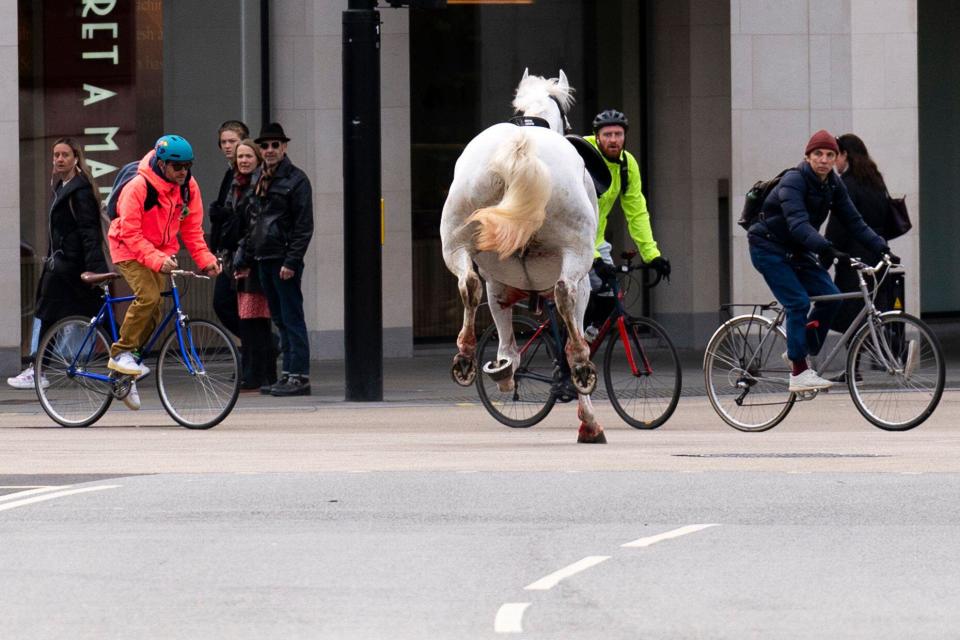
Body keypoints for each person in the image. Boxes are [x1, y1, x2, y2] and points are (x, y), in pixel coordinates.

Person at [747, 129, 899, 392]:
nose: (824, 160)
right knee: (798, 302)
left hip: (797, 250)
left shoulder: (833, 184)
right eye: (818, 154)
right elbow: (797, 223)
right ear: (807, 156)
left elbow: (854, 221)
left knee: (832, 297)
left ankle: (800, 349)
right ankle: (798, 373)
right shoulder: (794, 181)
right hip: (768, 246)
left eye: (830, 155)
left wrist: (882, 247)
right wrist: (826, 248)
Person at [106, 134, 221, 409]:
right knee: (148, 297)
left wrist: (206, 260)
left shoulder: (188, 188)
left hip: (160, 251)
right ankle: (120, 353)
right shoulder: (138, 187)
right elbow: (131, 234)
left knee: (155, 310)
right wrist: (157, 259)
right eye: (177, 166)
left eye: (188, 166)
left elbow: (192, 230)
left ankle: (126, 370)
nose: (183, 172)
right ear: (162, 163)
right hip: (128, 248)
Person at [8, 138, 108, 390]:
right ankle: (125, 357)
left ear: (76, 158)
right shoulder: (64, 186)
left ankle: (37, 369)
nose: (59, 159)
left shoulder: (80, 191)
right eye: (56, 155)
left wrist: (95, 270)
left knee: (50, 314)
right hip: (65, 265)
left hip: (69, 267)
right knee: (77, 314)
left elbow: (90, 232)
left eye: (65, 155)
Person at [235, 122, 314, 397]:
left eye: (275, 145)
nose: (269, 150)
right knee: (280, 319)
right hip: (264, 257)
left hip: (282, 259)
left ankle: (299, 376)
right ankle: (289, 375)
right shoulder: (259, 179)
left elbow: (304, 226)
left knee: (291, 318)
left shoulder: (296, 179)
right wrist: (244, 257)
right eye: (265, 145)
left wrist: (291, 262)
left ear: (284, 147)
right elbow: (253, 222)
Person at [584, 109, 671, 285]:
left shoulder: (627, 164)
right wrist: (593, 258)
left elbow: (637, 213)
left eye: (619, 134)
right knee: (575, 299)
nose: (614, 140)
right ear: (597, 136)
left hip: (597, 241)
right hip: (571, 241)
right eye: (607, 135)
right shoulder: (582, 155)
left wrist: (652, 255)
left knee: (609, 294)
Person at [825, 133, 900, 333]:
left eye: (836, 155)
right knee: (876, 313)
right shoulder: (876, 181)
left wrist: (825, 255)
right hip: (877, 254)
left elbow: (838, 227)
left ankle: (855, 363)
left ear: (845, 154)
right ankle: (885, 356)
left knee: (851, 319)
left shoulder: (846, 185)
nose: (834, 163)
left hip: (854, 259)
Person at [229, 139, 277, 390]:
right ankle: (260, 373)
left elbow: (255, 226)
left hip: (253, 259)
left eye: (248, 156)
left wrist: (243, 256)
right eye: (240, 157)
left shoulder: (259, 185)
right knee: (251, 320)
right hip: (246, 256)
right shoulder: (236, 184)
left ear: (257, 159)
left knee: (255, 320)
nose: (244, 160)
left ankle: (259, 374)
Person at [208, 120, 249, 338]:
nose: (227, 146)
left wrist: (222, 214)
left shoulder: (247, 173)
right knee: (227, 305)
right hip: (228, 250)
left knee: (231, 305)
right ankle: (259, 349)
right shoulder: (229, 173)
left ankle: (264, 347)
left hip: (240, 250)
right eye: (223, 142)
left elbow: (241, 211)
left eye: (232, 141)